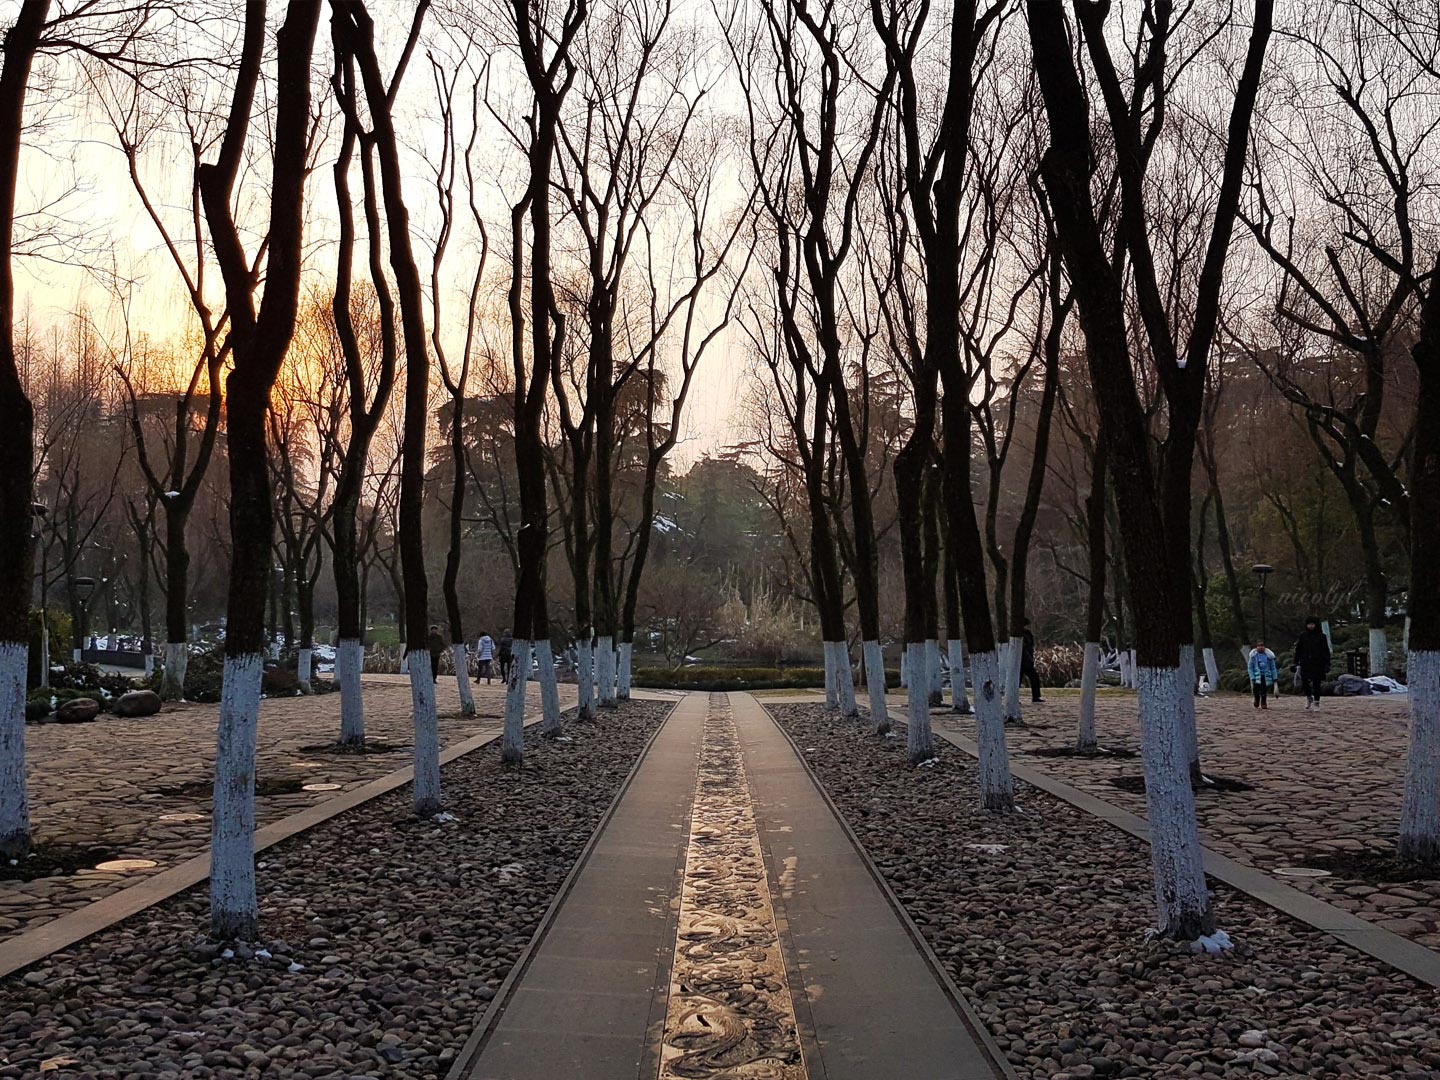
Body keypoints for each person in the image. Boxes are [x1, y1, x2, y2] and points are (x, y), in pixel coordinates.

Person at [1293, 616, 1331, 710]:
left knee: (1316, 683)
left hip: (1318, 663)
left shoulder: (1322, 636)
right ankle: (1309, 697)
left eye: (1312, 624)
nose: (1310, 626)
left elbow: (1325, 650)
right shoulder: (1303, 636)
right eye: (1309, 624)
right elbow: (1298, 649)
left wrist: (1327, 663)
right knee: (1304, 681)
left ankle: (1317, 701)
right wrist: (1295, 661)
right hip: (1305, 662)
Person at [1248, 639, 1277, 710]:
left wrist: (1275, 677)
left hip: (1265, 676)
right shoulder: (1253, 656)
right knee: (1256, 690)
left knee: (1264, 690)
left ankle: (1263, 702)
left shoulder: (1269, 657)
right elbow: (1250, 667)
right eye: (1259, 646)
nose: (1260, 647)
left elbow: (1273, 668)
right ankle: (1256, 700)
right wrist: (1252, 676)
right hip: (1256, 676)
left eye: (1262, 646)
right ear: (1256, 647)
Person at [1020, 619, 1044, 703]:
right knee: (1019, 680)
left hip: (1027, 659)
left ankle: (1036, 696)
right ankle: (1015, 697)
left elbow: (1030, 646)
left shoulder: (1027, 633)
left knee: (1034, 678)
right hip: (1023, 660)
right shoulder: (1020, 635)